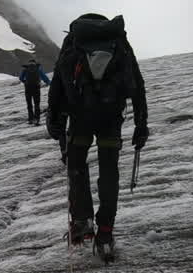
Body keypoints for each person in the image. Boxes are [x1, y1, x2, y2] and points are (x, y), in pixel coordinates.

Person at [47, 14, 148, 260]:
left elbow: (58, 82)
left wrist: (54, 120)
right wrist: (141, 124)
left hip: (80, 118)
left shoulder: (73, 43)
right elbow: (137, 82)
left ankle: (82, 221)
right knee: (109, 173)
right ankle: (105, 233)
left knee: (76, 166)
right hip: (110, 119)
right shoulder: (119, 43)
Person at [18, 59, 50, 125]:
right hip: (36, 88)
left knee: (29, 104)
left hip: (28, 88)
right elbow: (44, 77)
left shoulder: (25, 69)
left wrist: (24, 81)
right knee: (37, 104)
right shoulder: (38, 69)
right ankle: (37, 119)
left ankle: (30, 119)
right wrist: (49, 83)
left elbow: (21, 78)